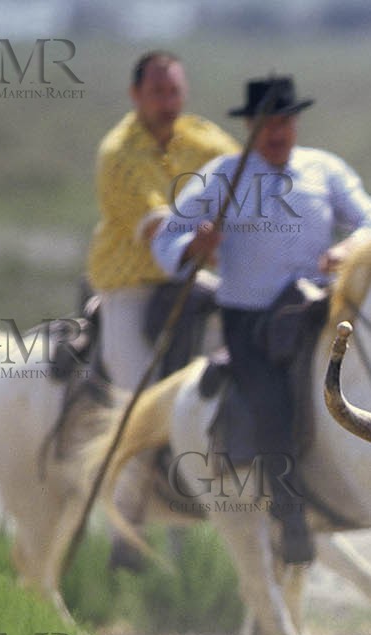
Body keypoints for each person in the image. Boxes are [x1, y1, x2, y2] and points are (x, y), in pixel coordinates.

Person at [151, 74, 371, 565]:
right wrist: (194, 245)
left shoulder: (325, 170)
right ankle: (291, 517)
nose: (277, 132)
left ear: (295, 122)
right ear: (251, 128)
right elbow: (164, 243)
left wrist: (348, 247)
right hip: (251, 322)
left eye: (285, 121)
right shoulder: (222, 176)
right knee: (272, 408)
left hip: (317, 312)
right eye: (268, 124)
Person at [88, 50, 238, 391]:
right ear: (135, 94)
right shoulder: (118, 154)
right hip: (131, 287)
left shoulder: (203, 140)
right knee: (140, 390)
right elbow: (160, 228)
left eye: (175, 92)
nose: (168, 102)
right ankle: (138, 438)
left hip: (189, 276)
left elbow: (246, 175)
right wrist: (205, 247)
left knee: (250, 312)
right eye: (158, 93)